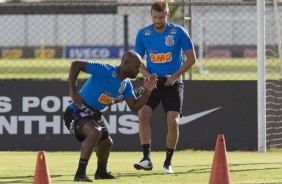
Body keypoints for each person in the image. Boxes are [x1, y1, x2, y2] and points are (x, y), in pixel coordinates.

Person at [63, 51, 157, 182]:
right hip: (76, 111)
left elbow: (134, 107)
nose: (139, 71)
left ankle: (101, 172)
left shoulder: (126, 84)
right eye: (137, 67)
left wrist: (147, 92)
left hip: (94, 114)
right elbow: (76, 65)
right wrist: (73, 92)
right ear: (125, 63)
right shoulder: (106, 70)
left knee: (107, 143)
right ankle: (80, 174)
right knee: (95, 132)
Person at [133, 0, 197, 174]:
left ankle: (168, 163)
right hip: (153, 83)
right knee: (143, 115)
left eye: (161, 17)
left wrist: (174, 77)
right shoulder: (143, 34)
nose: (158, 21)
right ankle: (146, 159)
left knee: (173, 121)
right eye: (155, 17)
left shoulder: (178, 32)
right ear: (151, 15)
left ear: (167, 15)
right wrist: (148, 77)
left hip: (173, 83)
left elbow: (192, 59)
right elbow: (137, 62)